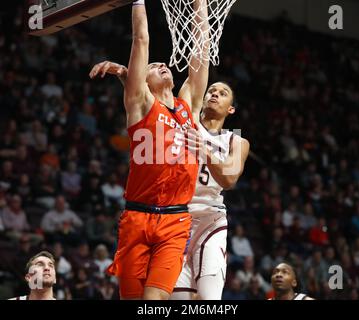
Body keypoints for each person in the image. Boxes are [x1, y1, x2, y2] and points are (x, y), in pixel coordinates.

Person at [90, 63, 250, 299]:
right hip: (175, 217)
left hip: (209, 218)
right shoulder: (186, 118)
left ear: (231, 110)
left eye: (222, 93)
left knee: (208, 298)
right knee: (177, 298)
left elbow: (229, 179)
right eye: (211, 90)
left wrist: (204, 149)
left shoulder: (235, 140)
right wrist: (129, 78)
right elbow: (148, 105)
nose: (215, 93)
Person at [90, 0, 209, 300]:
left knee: (154, 303)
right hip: (137, 219)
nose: (162, 65)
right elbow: (141, 38)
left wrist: (200, 5)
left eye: (162, 63)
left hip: (175, 220)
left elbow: (201, 53)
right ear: (139, 81)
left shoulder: (188, 104)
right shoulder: (141, 104)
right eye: (153, 66)